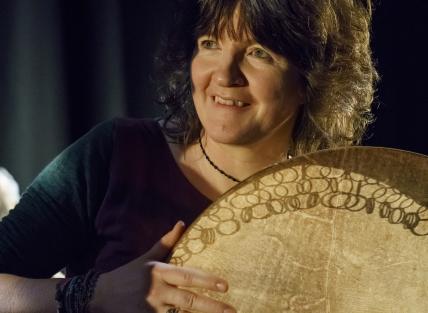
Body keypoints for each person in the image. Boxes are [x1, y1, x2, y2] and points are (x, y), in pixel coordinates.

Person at [0, 0, 377, 312]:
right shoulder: (118, 154)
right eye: (210, 43)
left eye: (259, 53)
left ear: (313, 80)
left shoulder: (346, 207)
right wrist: (94, 294)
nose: (224, 75)